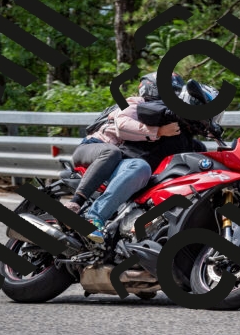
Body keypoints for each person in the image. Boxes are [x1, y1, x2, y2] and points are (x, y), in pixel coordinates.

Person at [80, 79, 220, 244]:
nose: (208, 118)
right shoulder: (164, 113)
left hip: (148, 184)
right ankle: (94, 217)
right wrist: (172, 117)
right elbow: (145, 111)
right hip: (124, 167)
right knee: (140, 167)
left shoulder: (195, 145)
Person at [63, 73, 185, 223]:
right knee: (111, 152)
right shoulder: (135, 103)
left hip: (115, 160)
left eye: (176, 92)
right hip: (92, 147)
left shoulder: (162, 113)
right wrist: (158, 132)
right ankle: (77, 204)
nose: (173, 95)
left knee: (142, 168)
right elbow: (121, 125)